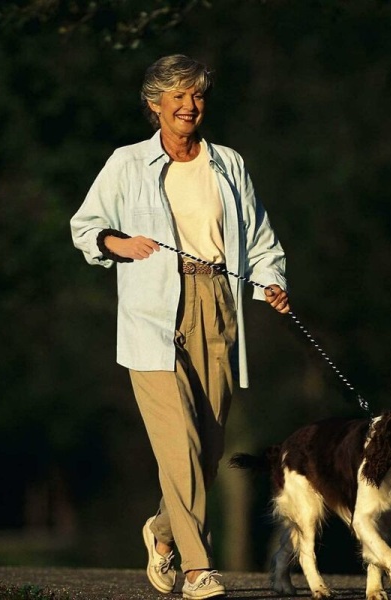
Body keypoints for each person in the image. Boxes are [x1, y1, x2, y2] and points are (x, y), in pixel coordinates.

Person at [70, 54, 289, 600]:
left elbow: (259, 239)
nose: (191, 107)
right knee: (179, 445)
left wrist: (271, 283)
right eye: (179, 98)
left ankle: (163, 532)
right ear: (154, 106)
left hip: (217, 304)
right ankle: (197, 568)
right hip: (152, 311)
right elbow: (84, 227)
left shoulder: (228, 164)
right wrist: (116, 244)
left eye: (197, 96)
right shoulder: (126, 163)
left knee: (207, 451)